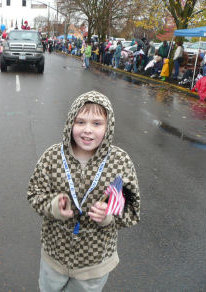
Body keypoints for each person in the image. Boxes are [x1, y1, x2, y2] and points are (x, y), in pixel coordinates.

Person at [27, 91, 140, 292]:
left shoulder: (120, 163)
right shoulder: (52, 157)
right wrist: (53, 206)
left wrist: (108, 216)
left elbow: (131, 211)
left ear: (109, 126)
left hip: (94, 265)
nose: (87, 130)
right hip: (54, 256)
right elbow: (34, 194)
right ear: (70, 122)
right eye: (80, 122)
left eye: (97, 123)